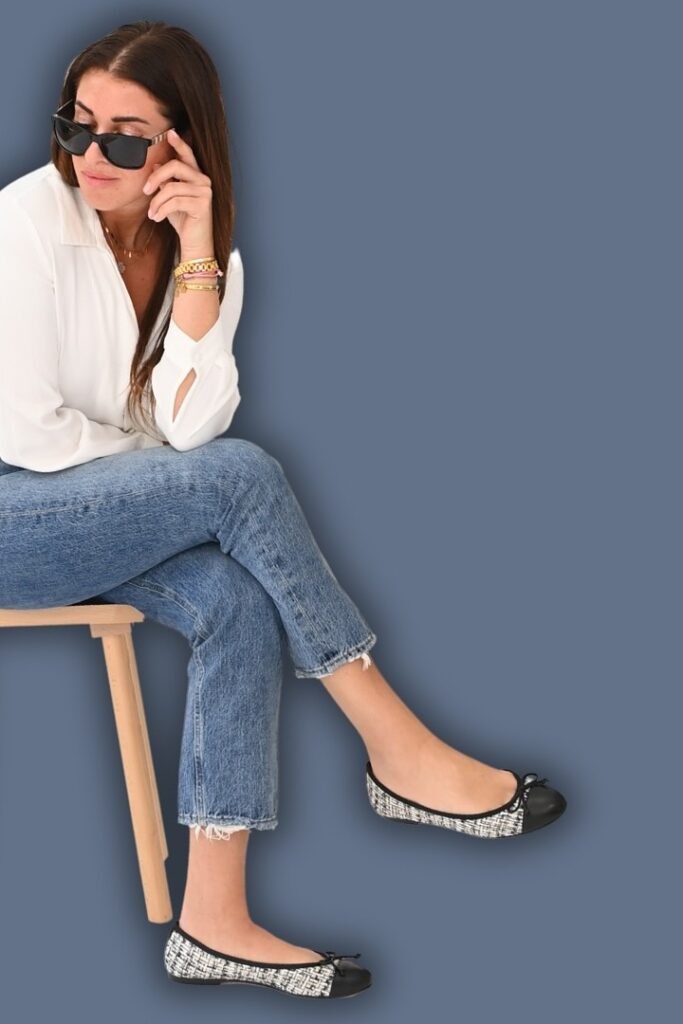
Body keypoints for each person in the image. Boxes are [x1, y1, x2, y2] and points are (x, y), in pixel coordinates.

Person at [0, 20, 567, 1000]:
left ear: (182, 145)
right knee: (240, 478)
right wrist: (171, 486)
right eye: (77, 126)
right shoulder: (21, 225)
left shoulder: (203, 256)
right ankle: (394, 744)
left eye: (127, 138)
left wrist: (197, 265)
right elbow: (36, 439)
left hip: (101, 524)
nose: (92, 156)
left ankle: (210, 919)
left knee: (237, 596)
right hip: (14, 520)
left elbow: (188, 429)